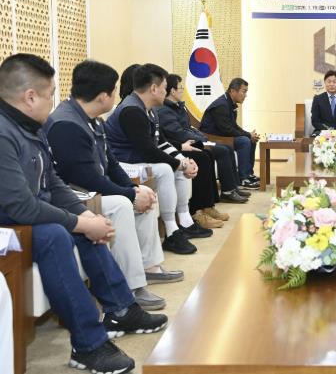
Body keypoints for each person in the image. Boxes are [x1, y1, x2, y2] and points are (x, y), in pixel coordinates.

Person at [0, 53, 167, 373]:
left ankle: (120, 309)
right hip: (10, 222)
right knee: (56, 234)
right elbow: (21, 206)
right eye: (50, 95)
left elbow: (53, 183)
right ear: (30, 97)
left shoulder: (31, 127)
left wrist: (84, 216)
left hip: (23, 215)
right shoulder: (4, 133)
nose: (54, 102)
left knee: (83, 226)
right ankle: (88, 344)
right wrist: (79, 223)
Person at [46, 60, 185, 311]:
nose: (116, 95)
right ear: (103, 96)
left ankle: (149, 265)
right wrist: (128, 194)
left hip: (90, 190)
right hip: (72, 195)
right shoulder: (66, 124)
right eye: (113, 91)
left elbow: (110, 164)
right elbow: (85, 178)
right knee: (122, 204)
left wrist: (134, 190)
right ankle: (131, 286)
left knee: (144, 193)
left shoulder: (93, 120)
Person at [106, 63, 212, 255]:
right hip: (123, 166)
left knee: (176, 166)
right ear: (154, 89)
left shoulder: (149, 109)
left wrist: (183, 160)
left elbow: (161, 142)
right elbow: (148, 151)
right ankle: (171, 232)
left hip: (138, 162)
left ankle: (185, 222)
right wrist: (180, 164)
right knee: (166, 169)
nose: (166, 91)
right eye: (164, 87)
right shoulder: (131, 110)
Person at [157, 74, 249, 205]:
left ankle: (232, 187)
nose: (182, 90)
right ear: (172, 91)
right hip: (182, 144)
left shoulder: (179, 107)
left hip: (193, 140)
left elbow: (189, 128)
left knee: (227, 148)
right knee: (222, 150)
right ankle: (227, 192)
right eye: (181, 87)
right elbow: (179, 133)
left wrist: (201, 137)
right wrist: (200, 139)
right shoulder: (165, 110)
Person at [199, 77, 260, 189]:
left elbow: (233, 126)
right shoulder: (221, 105)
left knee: (251, 140)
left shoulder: (229, 103)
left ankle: (248, 173)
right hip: (211, 138)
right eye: (243, 91)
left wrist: (249, 134)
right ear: (232, 91)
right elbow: (226, 129)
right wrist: (247, 135)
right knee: (244, 141)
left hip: (222, 135)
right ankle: (243, 179)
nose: (245, 95)